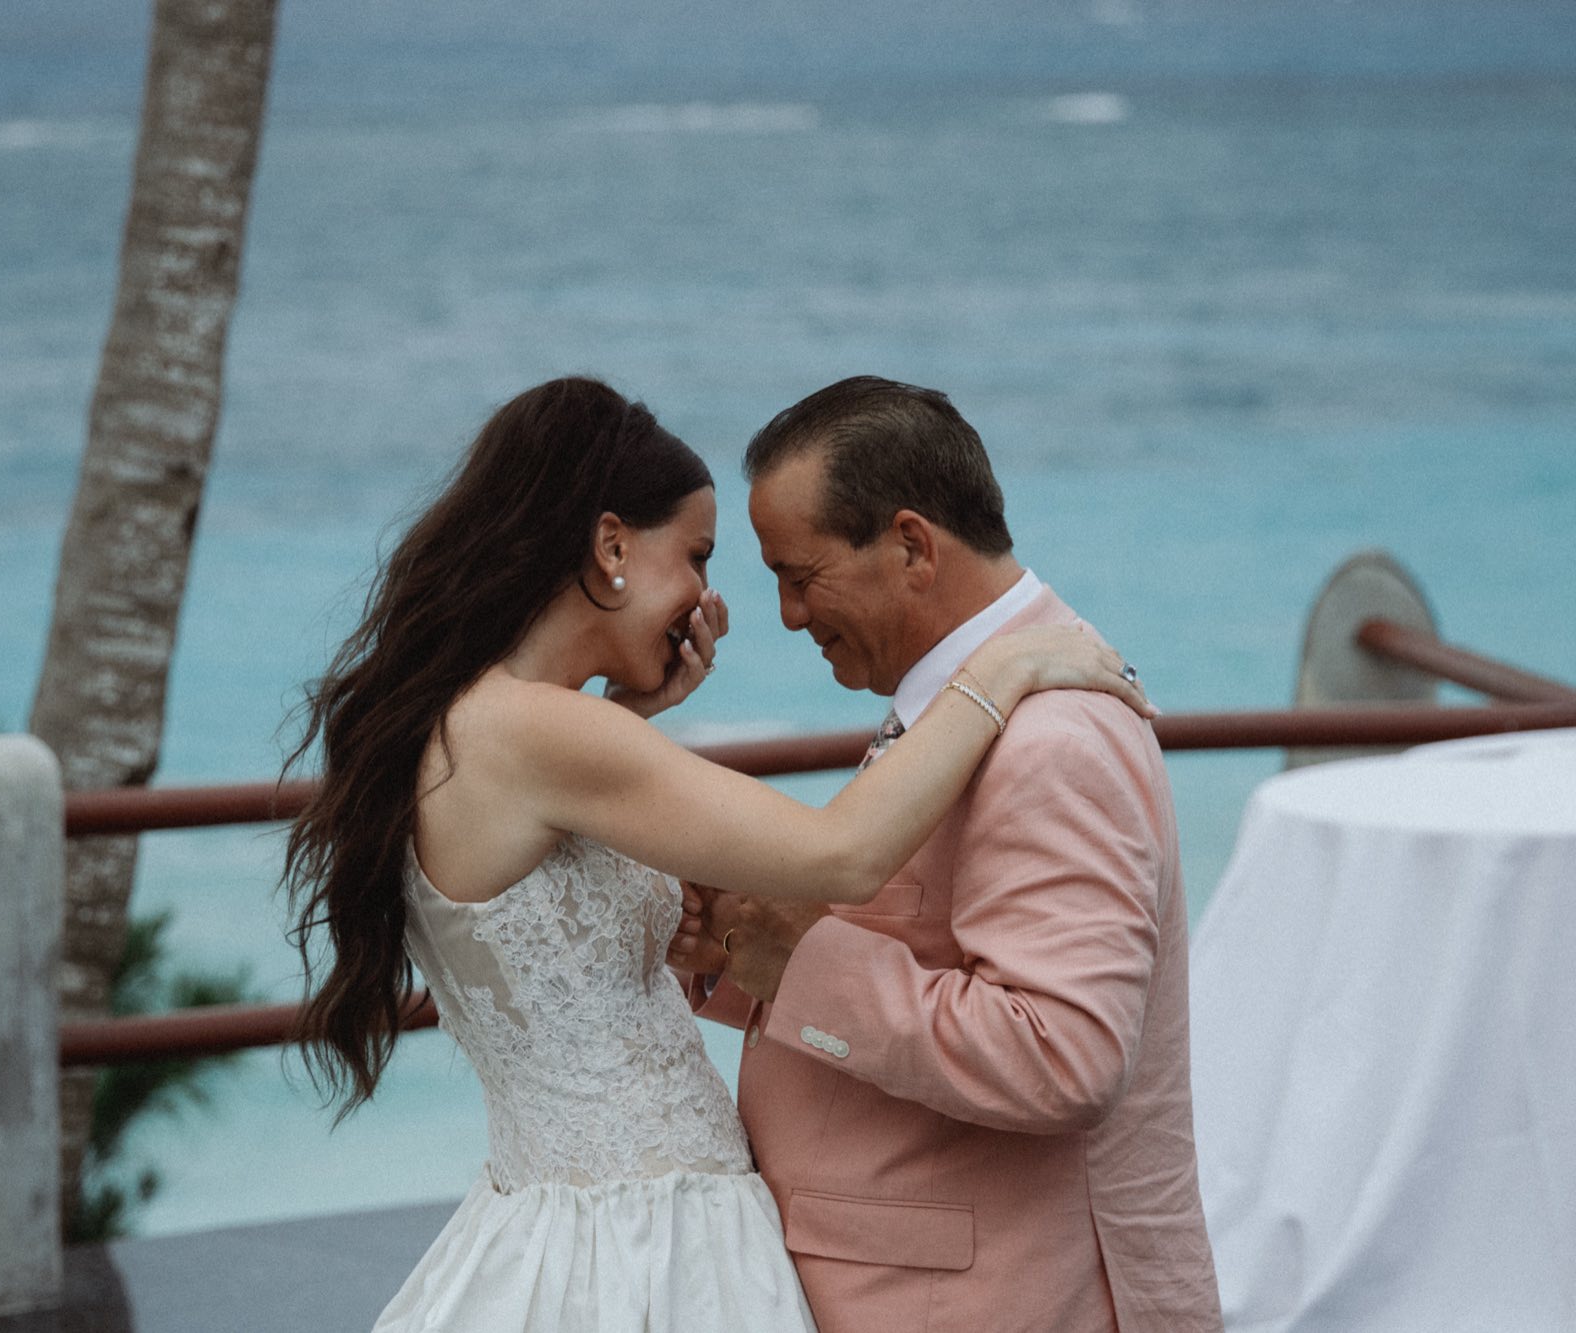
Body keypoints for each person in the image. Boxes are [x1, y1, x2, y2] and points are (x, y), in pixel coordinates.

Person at [280, 376, 1150, 1333]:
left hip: (578, 1227)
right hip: (648, 1245)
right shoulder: (543, 735)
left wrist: (628, 719)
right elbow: (843, 853)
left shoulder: (498, 728)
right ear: (610, 546)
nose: (712, 597)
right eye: (695, 555)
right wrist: (1003, 669)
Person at [669, 376, 1222, 1333]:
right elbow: (924, 935)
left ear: (913, 545)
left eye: (800, 576)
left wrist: (801, 965)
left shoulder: (1053, 742)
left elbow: (1066, 1055)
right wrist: (736, 950)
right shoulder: (966, 698)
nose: (790, 616)